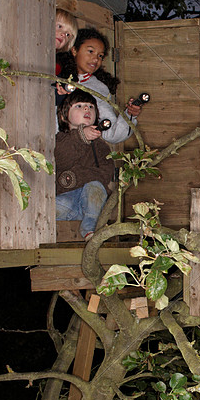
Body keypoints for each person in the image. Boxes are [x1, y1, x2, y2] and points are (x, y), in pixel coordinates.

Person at [56, 27, 142, 144]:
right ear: (74, 50)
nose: (96, 59)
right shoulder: (55, 75)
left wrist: (130, 115)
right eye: (90, 51)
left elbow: (112, 133)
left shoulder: (98, 88)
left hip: (79, 153)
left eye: (100, 56)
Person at [55, 89, 116, 240]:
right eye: (79, 106)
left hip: (91, 204)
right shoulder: (58, 140)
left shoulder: (101, 147)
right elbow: (61, 159)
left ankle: (90, 230)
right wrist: (81, 136)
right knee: (52, 207)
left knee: (94, 187)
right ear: (64, 116)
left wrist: (78, 177)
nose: (87, 109)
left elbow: (106, 173)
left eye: (91, 106)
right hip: (67, 199)